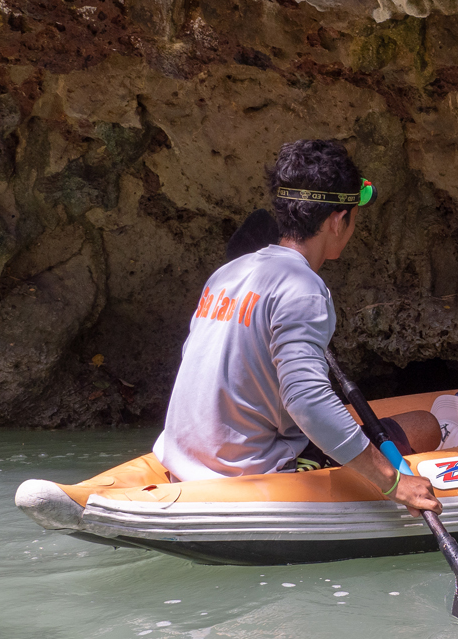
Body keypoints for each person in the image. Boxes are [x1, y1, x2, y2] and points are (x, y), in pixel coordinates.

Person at [152, 139, 440, 516]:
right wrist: (394, 481)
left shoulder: (226, 275)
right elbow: (307, 401)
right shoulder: (304, 289)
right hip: (254, 474)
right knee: (426, 425)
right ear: (338, 220)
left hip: (183, 465)